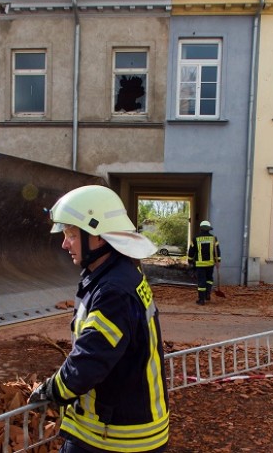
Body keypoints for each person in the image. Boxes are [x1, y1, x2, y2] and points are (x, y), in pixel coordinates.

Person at [29, 185, 169, 453]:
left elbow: (90, 360)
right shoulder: (114, 274)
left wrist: (53, 390)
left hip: (118, 436)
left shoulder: (113, 290)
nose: (64, 242)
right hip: (119, 425)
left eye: (71, 233)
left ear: (99, 238)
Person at [187, 220, 220, 305]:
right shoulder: (213, 238)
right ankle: (207, 295)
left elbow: (191, 251)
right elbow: (217, 251)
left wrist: (190, 260)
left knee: (201, 281)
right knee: (209, 279)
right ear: (209, 229)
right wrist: (218, 261)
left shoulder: (195, 238)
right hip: (210, 263)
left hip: (200, 264)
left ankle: (201, 300)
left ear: (201, 229)